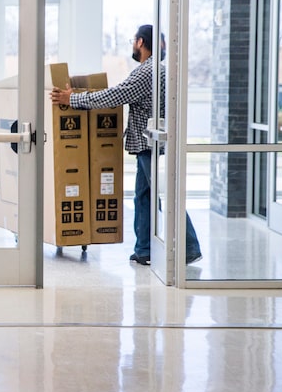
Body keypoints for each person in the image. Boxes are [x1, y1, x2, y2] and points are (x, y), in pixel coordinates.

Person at [50, 24, 202, 266]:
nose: (133, 45)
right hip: (146, 143)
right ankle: (143, 250)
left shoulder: (147, 72)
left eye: (134, 41)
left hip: (148, 143)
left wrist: (72, 99)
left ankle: (189, 247)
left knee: (164, 196)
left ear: (140, 42)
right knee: (143, 197)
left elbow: (114, 96)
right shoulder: (156, 70)